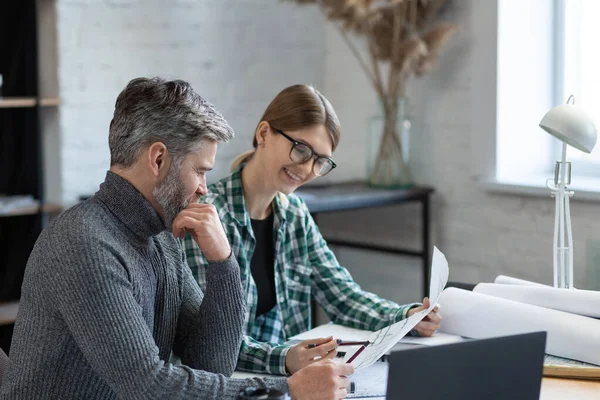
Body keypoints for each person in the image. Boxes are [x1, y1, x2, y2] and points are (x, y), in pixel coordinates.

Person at [0, 77, 353, 399]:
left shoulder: (162, 239)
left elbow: (211, 363)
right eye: (200, 170)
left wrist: (223, 262)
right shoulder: (85, 243)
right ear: (158, 158)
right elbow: (149, 385)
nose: (203, 188)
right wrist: (287, 389)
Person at [182, 84, 442, 376]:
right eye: (301, 149)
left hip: (291, 382)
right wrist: (284, 359)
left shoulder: (295, 215)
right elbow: (211, 341)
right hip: (226, 384)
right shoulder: (207, 218)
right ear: (263, 133)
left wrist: (405, 317)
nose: (307, 169)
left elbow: (343, 296)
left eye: (320, 161)